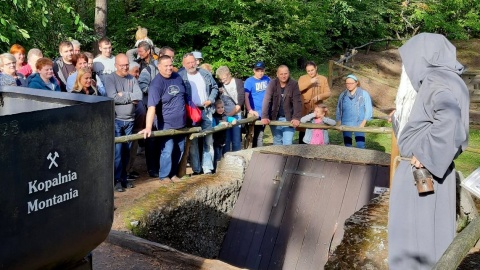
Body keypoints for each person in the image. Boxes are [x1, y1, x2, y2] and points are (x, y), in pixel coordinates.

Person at [388, 33, 469, 269]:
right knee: (433, 237)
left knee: (413, 241)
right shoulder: (452, 79)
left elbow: (450, 118)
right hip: (437, 171)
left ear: (422, 56)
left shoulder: (436, 79)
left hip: (421, 172)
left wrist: (425, 154)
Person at [139, 55, 187, 181]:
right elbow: (151, 107)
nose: (169, 68)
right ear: (159, 67)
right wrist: (148, 127)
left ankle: (173, 174)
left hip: (181, 123)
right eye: (166, 66)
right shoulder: (156, 83)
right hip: (166, 124)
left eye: (171, 65)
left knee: (179, 149)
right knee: (167, 150)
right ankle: (164, 175)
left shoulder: (178, 77)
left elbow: (184, 97)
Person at [104, 54, 143, 192]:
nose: (125, 67)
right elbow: (112, 97)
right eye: (122, 65)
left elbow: (139, 96)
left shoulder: (132, 78)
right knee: (118, 152)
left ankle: (124, 178)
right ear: (116, 65)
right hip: (117, 120)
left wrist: (123, 94)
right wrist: (129, 96)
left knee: (127, 152)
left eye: (127, 64)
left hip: (130, 120)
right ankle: (116, 181)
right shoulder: (110, 78)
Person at [179, 52, 218, 175]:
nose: (191, 65)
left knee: (208, 140)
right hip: (191, 113)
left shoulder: (205, 73)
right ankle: (196, 169)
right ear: (183, 64)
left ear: (196, 61)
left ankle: (207, 168)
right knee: (193, 142)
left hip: (206, 110)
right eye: (188, 63)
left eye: (193, 62)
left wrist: (210, 100)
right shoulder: (180, 75)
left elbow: (215, 87)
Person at [261, 65, 302, 145]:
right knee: (277, 142)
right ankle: (278, 158)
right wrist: (265, 116)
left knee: (288, 143)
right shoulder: (272, 83)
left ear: (289, 73)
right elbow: (267, 99)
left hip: (289, 119)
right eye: (281, 74)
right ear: (277, 74)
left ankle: (288, 158)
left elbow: (297, 102)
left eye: (285, 73)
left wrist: (296, 117)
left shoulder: (294, 84)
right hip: (275, 118)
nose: (283, 76)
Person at [297, 61, 331, 144]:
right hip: (304, 108)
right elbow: (297, 89)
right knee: (304, 129)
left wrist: (319, 97)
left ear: (316, 68)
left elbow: (328, 93)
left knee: (317, 129)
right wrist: (310, 82)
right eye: (308, 71)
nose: (310, 72)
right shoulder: (302, 78)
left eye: (312, 70)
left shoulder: (323, 79)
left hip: (317, 109)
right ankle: (301, 150)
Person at [335, 74, 373, 148]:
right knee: (347, 145)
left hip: (359, 123)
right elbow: (339, 109)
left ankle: (361, 159)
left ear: (356, 83)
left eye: (351, 83)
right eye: (347, 83)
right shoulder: (343, 95)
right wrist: (338, 122)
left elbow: (369, 109)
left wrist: (363, 123)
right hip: (346, 123)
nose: (349, 85)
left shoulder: (364, 94)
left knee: (360, 145)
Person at [215, 66, 245, 153]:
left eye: (224, 78)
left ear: (229, 75)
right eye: (221, 79)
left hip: (235, 114)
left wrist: (229, 115)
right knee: (226, 140)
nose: (223, 81)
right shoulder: (220, 85)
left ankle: (236, 159)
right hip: (224, 116)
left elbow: (240, 102)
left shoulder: (238, 82)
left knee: (236, 140)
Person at [244, 61, 270, 147]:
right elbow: (246, 97)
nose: (260, 73)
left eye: (262, 70)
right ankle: (256, 154)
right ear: (254, 71)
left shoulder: (267, 79)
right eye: (258, 70)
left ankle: (257, 154)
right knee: (255, 135)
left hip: (265, 112)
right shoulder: (249, 81)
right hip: (255, 112)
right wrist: (250, 110)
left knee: (260, 135)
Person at [212, 99, 237, 171]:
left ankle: (219, 169)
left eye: (222, 107)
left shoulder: (224, 116)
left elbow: (230, 118)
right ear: (215, 108)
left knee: (220, 155)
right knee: (216, 156)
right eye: (218, 108)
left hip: (222, 140)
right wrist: (221, 124)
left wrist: (233, 120)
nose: (220, 109)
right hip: (216, 140)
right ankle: (214, 170)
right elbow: (213, 126)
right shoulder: (214, 117)